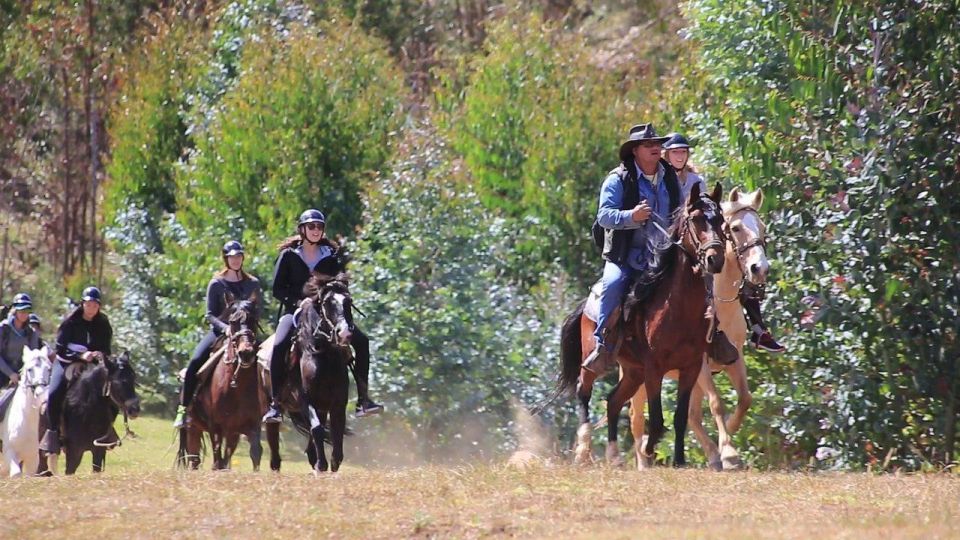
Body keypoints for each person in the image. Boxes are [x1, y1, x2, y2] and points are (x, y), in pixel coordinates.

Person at [584, 124, 737, 372]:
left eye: (657, 144)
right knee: (612, 285)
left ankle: (715, 336)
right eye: (648, 145)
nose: (656, 148)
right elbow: (603, 216)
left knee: (703, 280)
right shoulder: (617, 179)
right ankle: (603, 346)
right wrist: (631, 216)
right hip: (626, 256)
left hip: (664, 253)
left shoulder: (668, 175)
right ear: (635, 151)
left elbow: (679, 211)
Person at [663, 132, 785, 353]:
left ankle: (758, 329)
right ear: (667, 155)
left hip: (697, 236)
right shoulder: (660, 179)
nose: (679, 156)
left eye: (683, 151)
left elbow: (706, 208)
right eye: (675, 152)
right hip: (670, 237)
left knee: (737, 265)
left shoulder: (696, 181)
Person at [262, 209, 382, 423]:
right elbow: (278, 290)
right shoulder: (288, 256)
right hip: (297, 311)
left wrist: (336, 294)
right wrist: (300, 302)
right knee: (279, 344)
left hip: (328, 314)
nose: (316, 230)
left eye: (319, 226)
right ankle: (275, 404)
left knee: (362, 341)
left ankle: (364, 399)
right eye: (311, 226)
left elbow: (341, 282)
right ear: (302, 229)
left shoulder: (331, 254)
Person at [174, 240, 263, 428]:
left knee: (268, 362)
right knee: (194, 363)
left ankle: (272, 407)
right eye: (232, 257)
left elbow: (257, 311)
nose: (236, 260)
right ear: (226, 259)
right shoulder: (216, 283)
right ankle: (183, 411)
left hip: (246, 333)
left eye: (239, 256)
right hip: (220, 333)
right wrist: (226, 329)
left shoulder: (253, 283)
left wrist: (244, 329)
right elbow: (210, 315)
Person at [39, 286, 113, 454]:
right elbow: (60, 347)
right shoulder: (70, 321)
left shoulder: (103, 323)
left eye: (95, 305)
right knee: (54, 392)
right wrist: (80, 355)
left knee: (111, 392)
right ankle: (52, 434)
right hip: (66, 362)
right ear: (82, 304)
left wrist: (100, 354)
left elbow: (107, 348)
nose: (91, 308)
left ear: (99, 306)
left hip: (92, 366)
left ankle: (107, 432)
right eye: (88, 304)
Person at [0, 293, 40, 388]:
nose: (24, 313)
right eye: (21, 310)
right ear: (15, 310)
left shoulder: (31, 332)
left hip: (22, 375)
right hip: (2, 372)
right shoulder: (3, 328)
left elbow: (33, 357)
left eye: (27, 310)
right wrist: (10, 374)